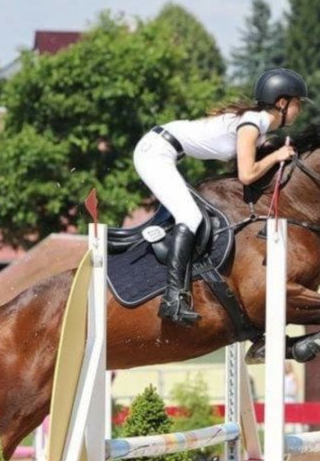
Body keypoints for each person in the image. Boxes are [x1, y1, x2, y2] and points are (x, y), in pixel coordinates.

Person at [133, 68, 310, 327]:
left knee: (193, 214)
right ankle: (173, 298)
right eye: (297, 104)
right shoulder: (251, 124)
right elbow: (247, 175)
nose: (300, 110)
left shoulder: (256, 126)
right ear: (282, 103)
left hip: (164, 149)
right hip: (154, 152)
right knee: (190, 216)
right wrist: (275, 156)